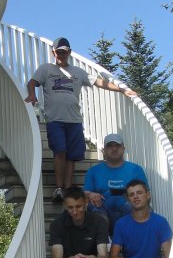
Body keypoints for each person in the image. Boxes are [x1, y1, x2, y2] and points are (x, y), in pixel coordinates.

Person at [25, 36, 136, 201]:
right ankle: (59, 188)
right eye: (58, 52)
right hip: (55, 119)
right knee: (60, 151)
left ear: (69, 52)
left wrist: (121, 89)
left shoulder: (77, 72)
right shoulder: (46, 69)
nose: (61, 55)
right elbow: (32, 82)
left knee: (72, 156)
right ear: (53, 53)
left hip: (75, 120)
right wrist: (32, 94)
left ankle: (68, 189)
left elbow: (99, 82)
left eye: (64, 52)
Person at [110, 179, 172, 258]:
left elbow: (169, 256)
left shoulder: (160, 222)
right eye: (131, 195)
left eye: (139, 193)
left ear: (148, 195)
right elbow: (113, 257)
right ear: (128, 199)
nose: (136, 197)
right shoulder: (121, 224)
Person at [83, 133, 149, 232]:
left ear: (123, 149)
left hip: (128, 211)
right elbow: (84, 194)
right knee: (94, 207)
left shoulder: (136, 170)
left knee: (135, 205)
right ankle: (102, 240)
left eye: (117, 146)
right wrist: (90, 194)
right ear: (104, 150)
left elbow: (147, 195)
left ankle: (130, 238)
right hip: (103, 210)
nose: (114, 149)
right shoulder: (93, 171)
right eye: (110, 146)